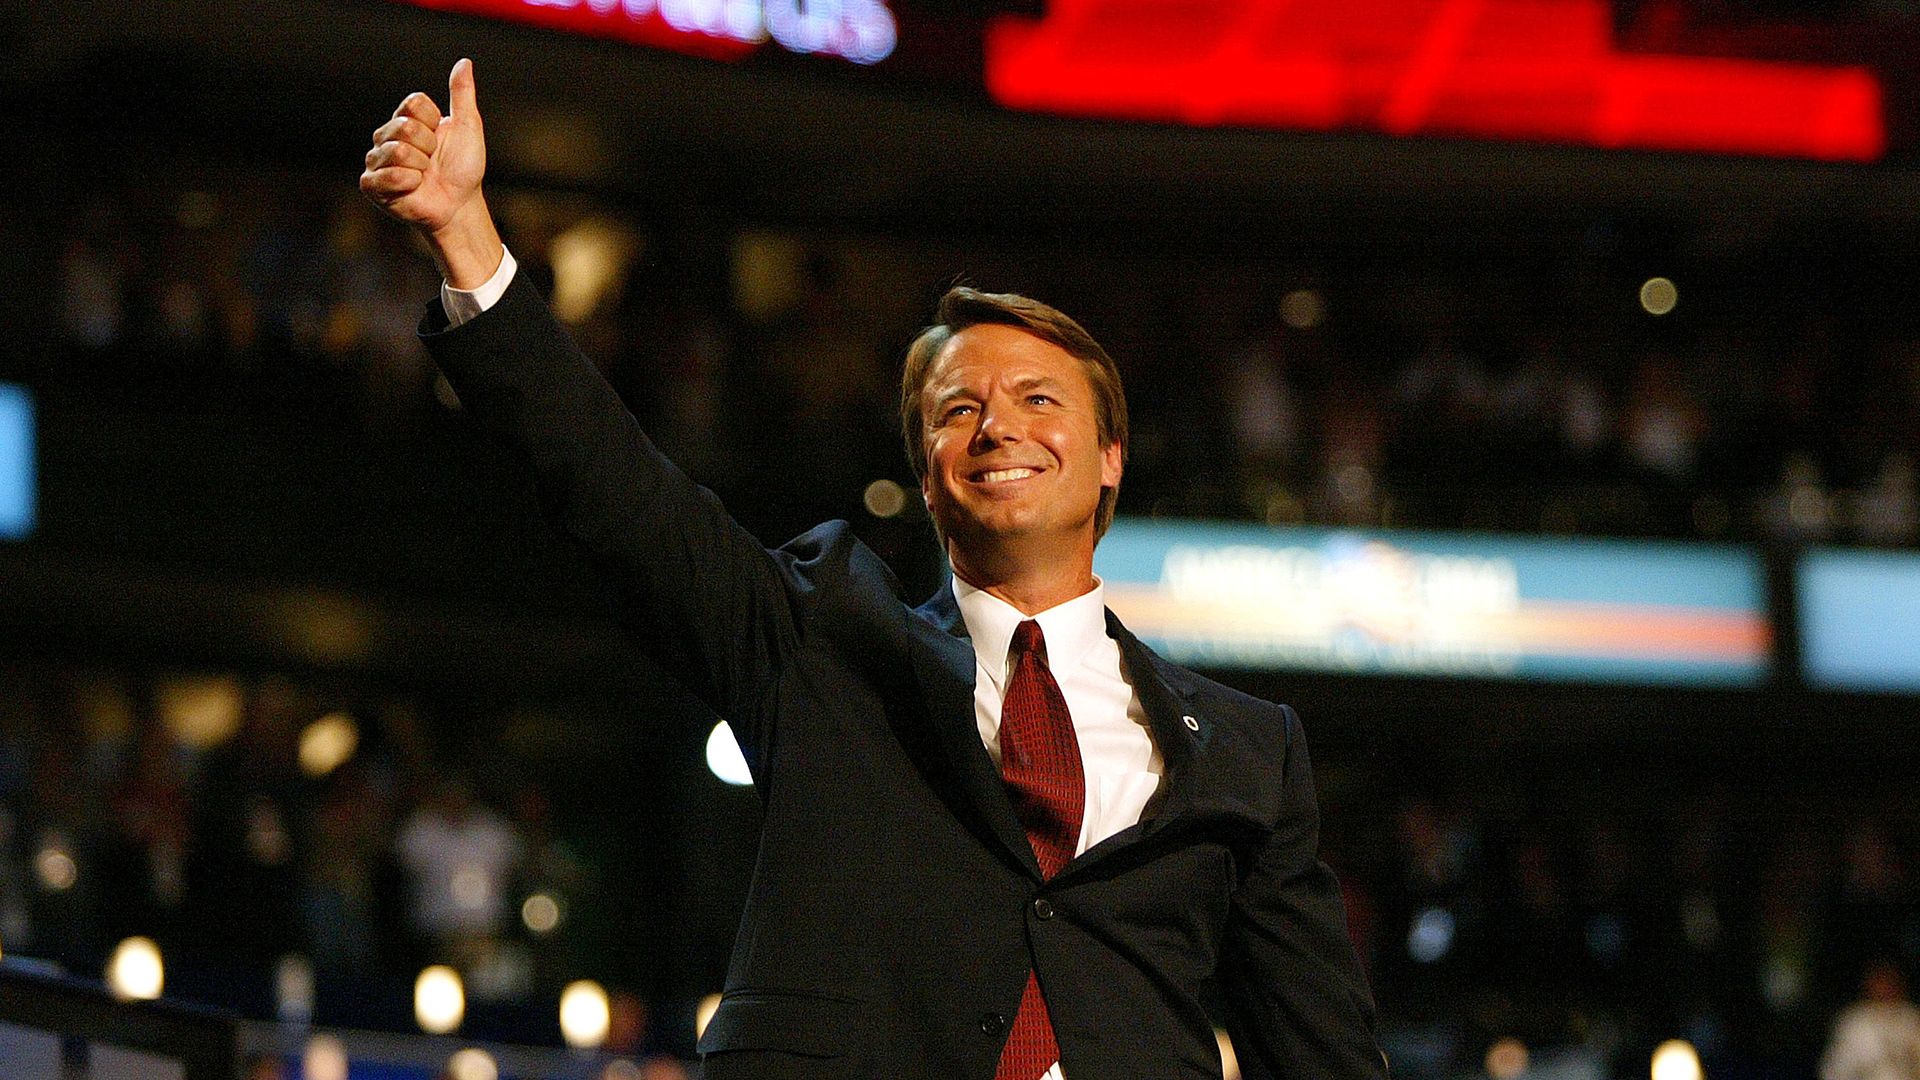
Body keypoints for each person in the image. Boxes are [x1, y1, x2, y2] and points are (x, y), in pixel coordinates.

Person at [360, 59, 1385, 1080]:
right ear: (930, 483)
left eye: (1038, 399)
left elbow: (1323, 1055)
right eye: (957, 409)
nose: (997, 426)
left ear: (1110, 455)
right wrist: (466, 238)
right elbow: (622, 497)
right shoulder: (824, 641)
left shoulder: (1249, 753)